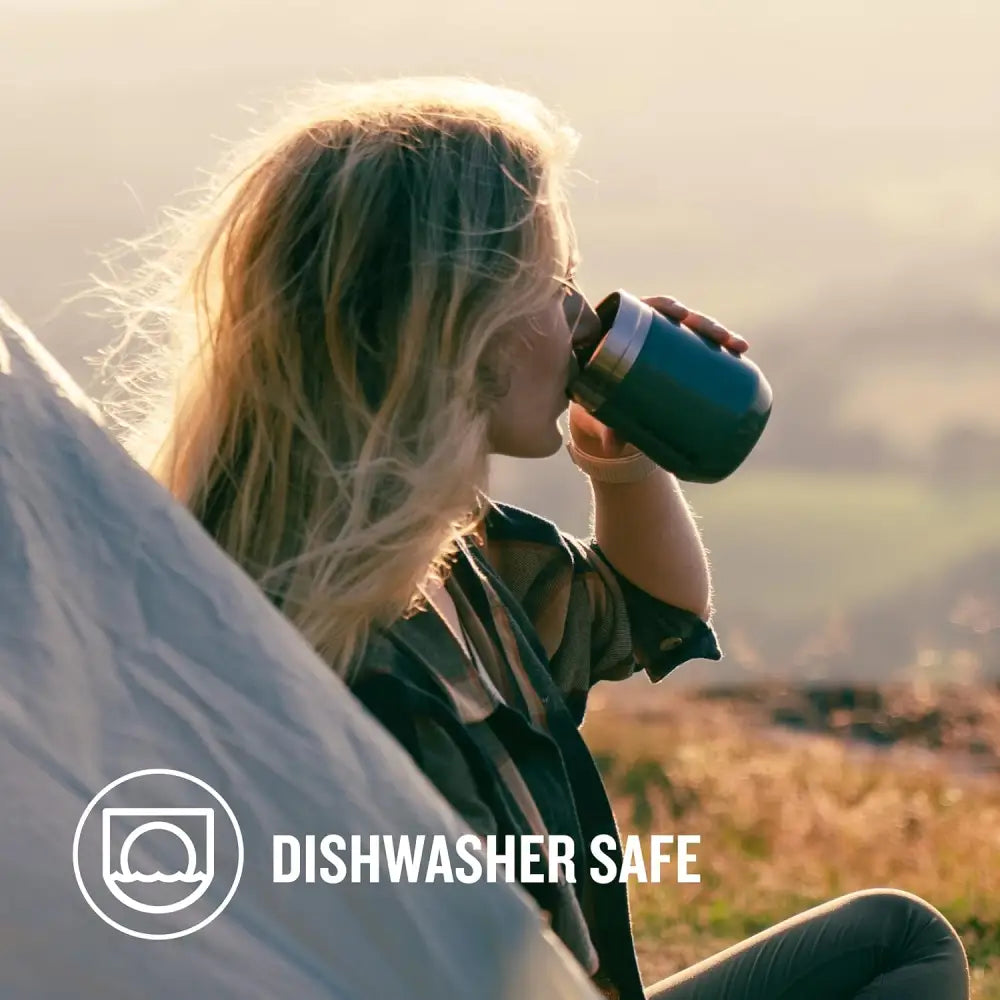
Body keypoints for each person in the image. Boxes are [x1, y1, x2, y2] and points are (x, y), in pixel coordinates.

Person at [101, 76, 970, 1000]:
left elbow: (651, 611)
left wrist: (623, 465)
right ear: (461, 324)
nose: (576, 320)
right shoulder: (366, 680)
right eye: (552, 288)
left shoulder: (432, 565)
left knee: (894, 940)